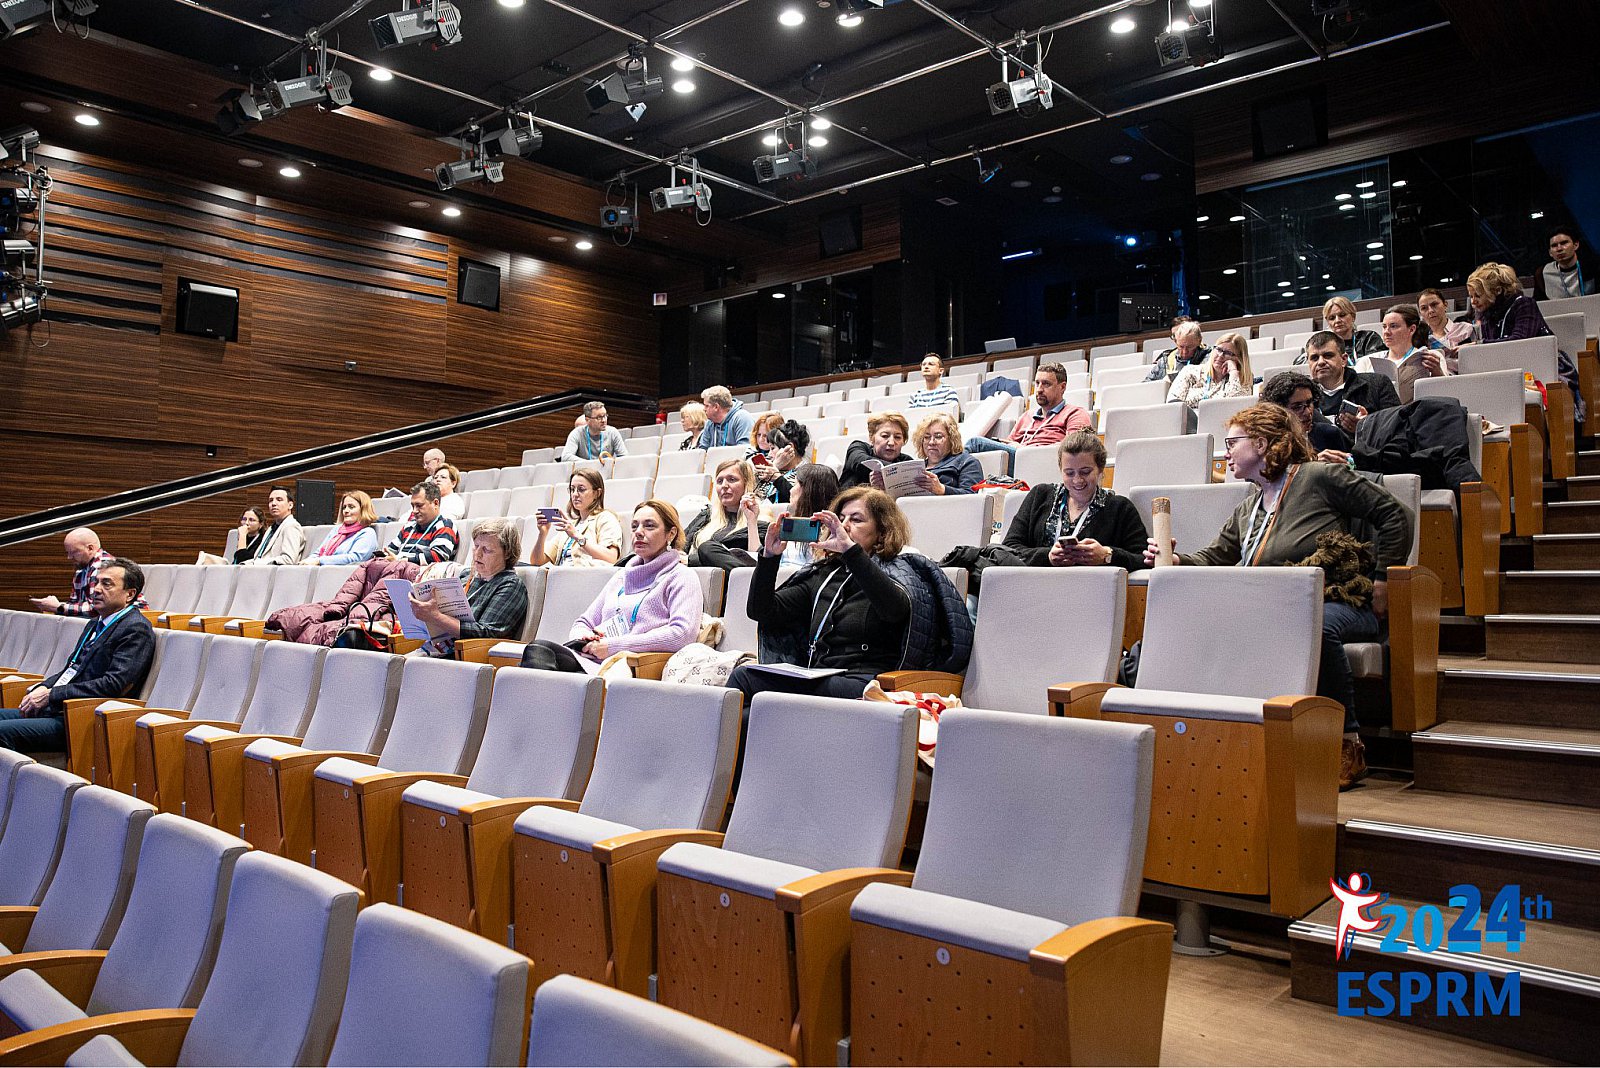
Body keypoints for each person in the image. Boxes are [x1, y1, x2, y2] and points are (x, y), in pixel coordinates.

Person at [1142, 402, 1412, 789]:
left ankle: (1347, 744)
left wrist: (1384, 578)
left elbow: (1395, 514)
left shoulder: (1318, 477)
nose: (1226, 452)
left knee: (1313, 628)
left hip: (1339, 602)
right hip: (1274, 611)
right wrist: (1176, 558)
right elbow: (1216, 556)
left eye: (1233, 442)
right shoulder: (1249, 507)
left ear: (1262, 443)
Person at [730, 486, 972, 702]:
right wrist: (769, 558)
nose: (845, 526)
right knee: (747, 706)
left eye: (856, 520)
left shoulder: (900, 569)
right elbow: (762, 612)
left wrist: (850, 552)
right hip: (819, 676)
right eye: (841, 518)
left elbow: (894, 610)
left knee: (747, 684)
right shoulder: (825, 574)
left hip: (869, 683)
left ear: (882, 531)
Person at [946, 431, 1149, 587]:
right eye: (1069, 473)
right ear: (1060, 470)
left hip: (1088, 592)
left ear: (1100, 469)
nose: (1077, 480)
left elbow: (1143, 558)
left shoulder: (1119, 508)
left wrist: (1107, 555)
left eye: (1085, 472)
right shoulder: (1040, 496)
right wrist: (1048, 557)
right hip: (1028, 589)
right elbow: (1010, 548)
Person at [521, 500, 703, 674]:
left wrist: (613, 646)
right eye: (634, 526)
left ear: (671, 534)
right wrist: (584, 637)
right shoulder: (622, 576)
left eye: (649, 526)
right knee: (539, 650)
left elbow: (682, 634)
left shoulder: (681, 576)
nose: (639, 532)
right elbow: (583, 622)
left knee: (543, 663)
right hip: (595, 659)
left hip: (633, 665)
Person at [1, 558, 154, 752]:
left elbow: (114, 684)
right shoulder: (95, 623)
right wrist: (43, 687)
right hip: (60, 709)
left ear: (129, 594)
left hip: (83, 719)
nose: (96, 589)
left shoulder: (135, 628)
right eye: (96, 582)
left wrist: (51, 695)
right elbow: (72, 669)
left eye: (106, 584)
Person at [1468, 261, 1584, 420]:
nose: (1473, 301)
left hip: (1545, 365)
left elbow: (1520, 342)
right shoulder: (1487, 315)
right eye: (1471, 296)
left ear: (1497, 291)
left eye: (1478, 295)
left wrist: (1479, 346)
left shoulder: (1524, 304)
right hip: (1507, 367)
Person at [409, 518, 528, 659]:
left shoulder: (510, 585)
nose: (477, 554)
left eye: (486, 550)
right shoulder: (467, 576)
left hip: (465, 656)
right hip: (434, 647)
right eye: (476, 546)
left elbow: (488, 634)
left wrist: (436, 617)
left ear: (507, 553)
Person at [964, 363, 1093, 474]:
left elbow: (1074, 449)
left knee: (976, 443)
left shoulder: (1075, 413)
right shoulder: (1027, 416)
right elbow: (1009, 445)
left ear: (1062, 387)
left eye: (1046, 384)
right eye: (1037, 383)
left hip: (1046, 462)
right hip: (1020, 461)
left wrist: (1024, 449)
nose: (1039, 389)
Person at [1304, 330, 1400, 444]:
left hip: (1367, 452)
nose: (1320, 362)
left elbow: (1399, 430)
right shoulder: (1302, 397)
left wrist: (1365, 428)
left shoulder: (1377, 384)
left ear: (1344, 359)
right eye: (1314, 358)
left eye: (1328, 356)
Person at [528, 467, 622, 568]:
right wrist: (542, 534)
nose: (575, 494)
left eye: (581, 489)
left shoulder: (606, 518)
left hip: (583, 575)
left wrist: (577, 536)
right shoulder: (570, 525)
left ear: (597, 493)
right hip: (560, 574)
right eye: (572, 489)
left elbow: (611, 558)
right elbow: (536, 562)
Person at [684, 459, 770, 569]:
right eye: (720, 481)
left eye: (732, 479)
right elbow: (680, 544)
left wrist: (751, 521)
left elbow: (755, 561)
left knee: (707, 548)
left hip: (736, 577)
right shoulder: (706, 516)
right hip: (696, 576)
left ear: (746, 484)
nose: (724, 485)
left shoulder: (761, 520)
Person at [30, 528, 133, 617]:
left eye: (74, 552)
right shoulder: (81, 569)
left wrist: (59, 607)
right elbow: (77, 604)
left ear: (90, 548)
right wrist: (52, 605)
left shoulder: (102, 567)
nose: (69, 557)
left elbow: (98, 608)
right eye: (68, 553)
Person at [1358, 303, 1444, 403]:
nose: (1386, 332)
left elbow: (1445, 396)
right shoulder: (1366, 361)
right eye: (1384, 327)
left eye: (1393, 326)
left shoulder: (1432, 357)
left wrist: (1437, 371)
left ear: (1411, 329)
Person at [1261, 370, 1349, 459]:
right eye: (1297, 407)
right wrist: (1312, 463)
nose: (1307, 412)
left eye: (1309, 403)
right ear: (1278, 410)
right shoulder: (1266, 442)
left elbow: (1350, 464)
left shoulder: (1329, 434)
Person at [776, 464, 840, 568]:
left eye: (795, 484)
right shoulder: (791, 520)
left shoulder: (828, 536)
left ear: (807, 490)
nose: (791, 490)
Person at [380, 481, 458, 564]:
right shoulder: (409, 526)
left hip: (419, 570)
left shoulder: (445, 526)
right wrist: (384, 556)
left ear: (435, 503)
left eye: (419, 505)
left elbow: (438, 557)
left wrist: (400, 561)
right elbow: (391, 550)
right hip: (397, 567)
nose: (414, 511)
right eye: (413, 506)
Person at [1168, 331, 1251, 408]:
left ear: (1239, 359)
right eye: (1218, 349)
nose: (1220, 355)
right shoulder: (1190, 371)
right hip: (1187, 418)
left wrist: (1233, 372)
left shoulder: (1242, 380)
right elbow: (1173, 405)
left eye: (1228, 353)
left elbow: (1238, 408)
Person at [910, 412, 982, 494]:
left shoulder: (967, 462)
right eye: (926, 437)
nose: (931, 442)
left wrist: (942, 490)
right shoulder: (916, 467)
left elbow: (973, 496)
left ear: (952, 439)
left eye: (938, 436)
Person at [842, 411, 912, 491]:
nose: (891, 443)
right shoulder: (858, 447)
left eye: (897, 437)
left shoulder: (906, 461)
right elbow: (860, 462)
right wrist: (898, 474)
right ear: (872, 438)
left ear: (903, 441)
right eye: (885, 436)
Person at [1300, 296, 1383, 363]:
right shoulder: (1323, 344)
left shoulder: (1369, 338)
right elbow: (1299, 363)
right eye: (1332, 318)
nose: (1337, 320)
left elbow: (1375, 366)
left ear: (1353, 316)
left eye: (1342, 315)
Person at [308, 491, 380, 566]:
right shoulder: (337, 530)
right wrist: (306, 562)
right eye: (344, 507)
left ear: (363, 510)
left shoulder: (367, 533)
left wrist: (320, 561)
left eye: (351, 507)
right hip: (324, 570)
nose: (346, 511)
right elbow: (318, 552)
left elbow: (355, 558)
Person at [749, 416, 808, 504]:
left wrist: (776, 478)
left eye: (772, 448)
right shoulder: (773, 465)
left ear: (789, 448)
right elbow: (749, 489)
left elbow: (798, 502)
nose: (769, 454)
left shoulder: (806, 474)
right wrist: (775, 466)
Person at [242, 486, 307, 566]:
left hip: (275, 572)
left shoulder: (291, 526)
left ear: (290, 505)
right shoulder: (271, 528)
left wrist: (256, 563)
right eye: (271, 500)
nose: (273, 504)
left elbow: (288, 560)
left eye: (279, 500)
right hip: (260, 570)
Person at [1417, 288, 1476, 371]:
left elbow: (1479, 358)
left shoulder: (1465, 328)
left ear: (1445, 305)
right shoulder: (1420, 339)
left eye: (1434, 304)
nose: (1430, 311)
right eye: (1424, 308)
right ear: (1420, 314)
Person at [1533, 227, 1597, 301]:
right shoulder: (1542, 274)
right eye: (1554, 245)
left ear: (1576, 245)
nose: (1559, 248)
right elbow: (1538, 303)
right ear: (1550, 252)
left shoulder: (1593, 267)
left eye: (1564, 243)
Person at [560, 401, 628, 462]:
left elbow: (624, 457)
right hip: (585, 470)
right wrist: (590, 465)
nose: (603, 420)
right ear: (587, 420)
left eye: (605, 416)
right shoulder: (577, 433)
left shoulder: (613, 432)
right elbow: (566, 457)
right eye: (599, 417)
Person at [1145, 320, 1209, 383]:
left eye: (1189, 347)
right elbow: (1146, 385)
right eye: (1181, 347)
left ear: (1199, 341)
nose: (1184, 352)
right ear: (1176, 341)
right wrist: (1163, 383)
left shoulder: (1210, 358)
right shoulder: (1165, 361)